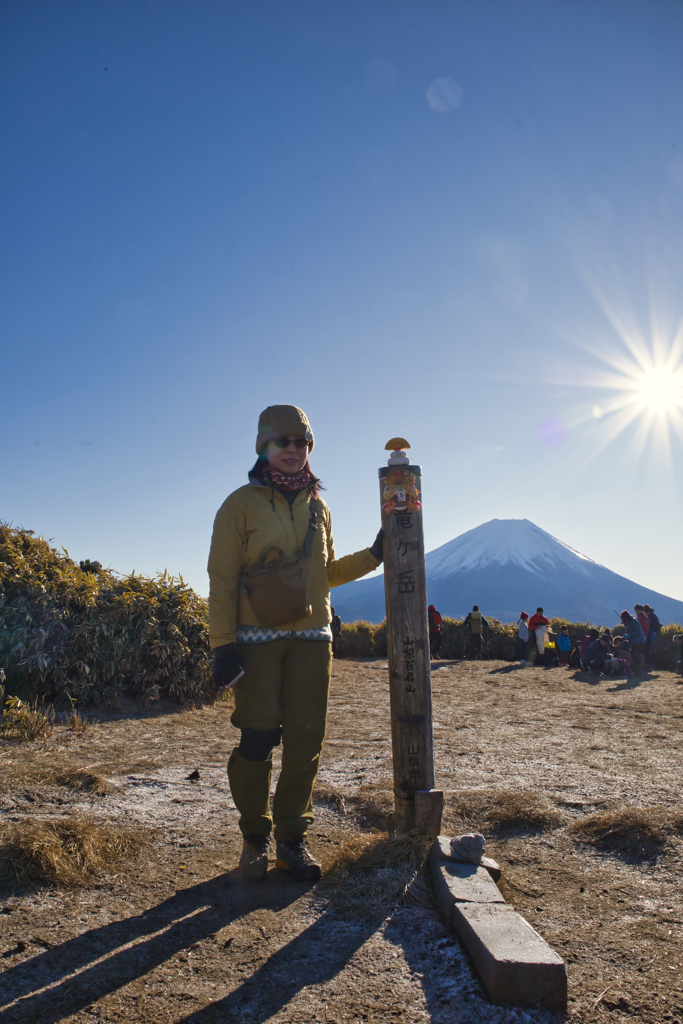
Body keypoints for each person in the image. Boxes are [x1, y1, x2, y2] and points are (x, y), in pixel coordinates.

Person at [208, 405, 384, 882]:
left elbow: (323, 575)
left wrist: (373, 554)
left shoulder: (318, 506)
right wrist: (222, 645)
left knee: (306, 741)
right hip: (256, 641)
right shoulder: (239, 504)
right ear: (264, 446)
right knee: (258, 738)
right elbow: (221, 579)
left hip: (312, 638)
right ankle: (253, 840)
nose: (292, 449)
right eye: (282, 441)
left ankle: (291, 841)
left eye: (301, 442)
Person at [643, 604, 661, 668]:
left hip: (648, 636)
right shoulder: (652, 616)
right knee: (647, 650)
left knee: (646, 651)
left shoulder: (649, 618)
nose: (644, 613)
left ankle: (648, 665)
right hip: (651, 636)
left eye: (645, 612)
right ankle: (648, 665)